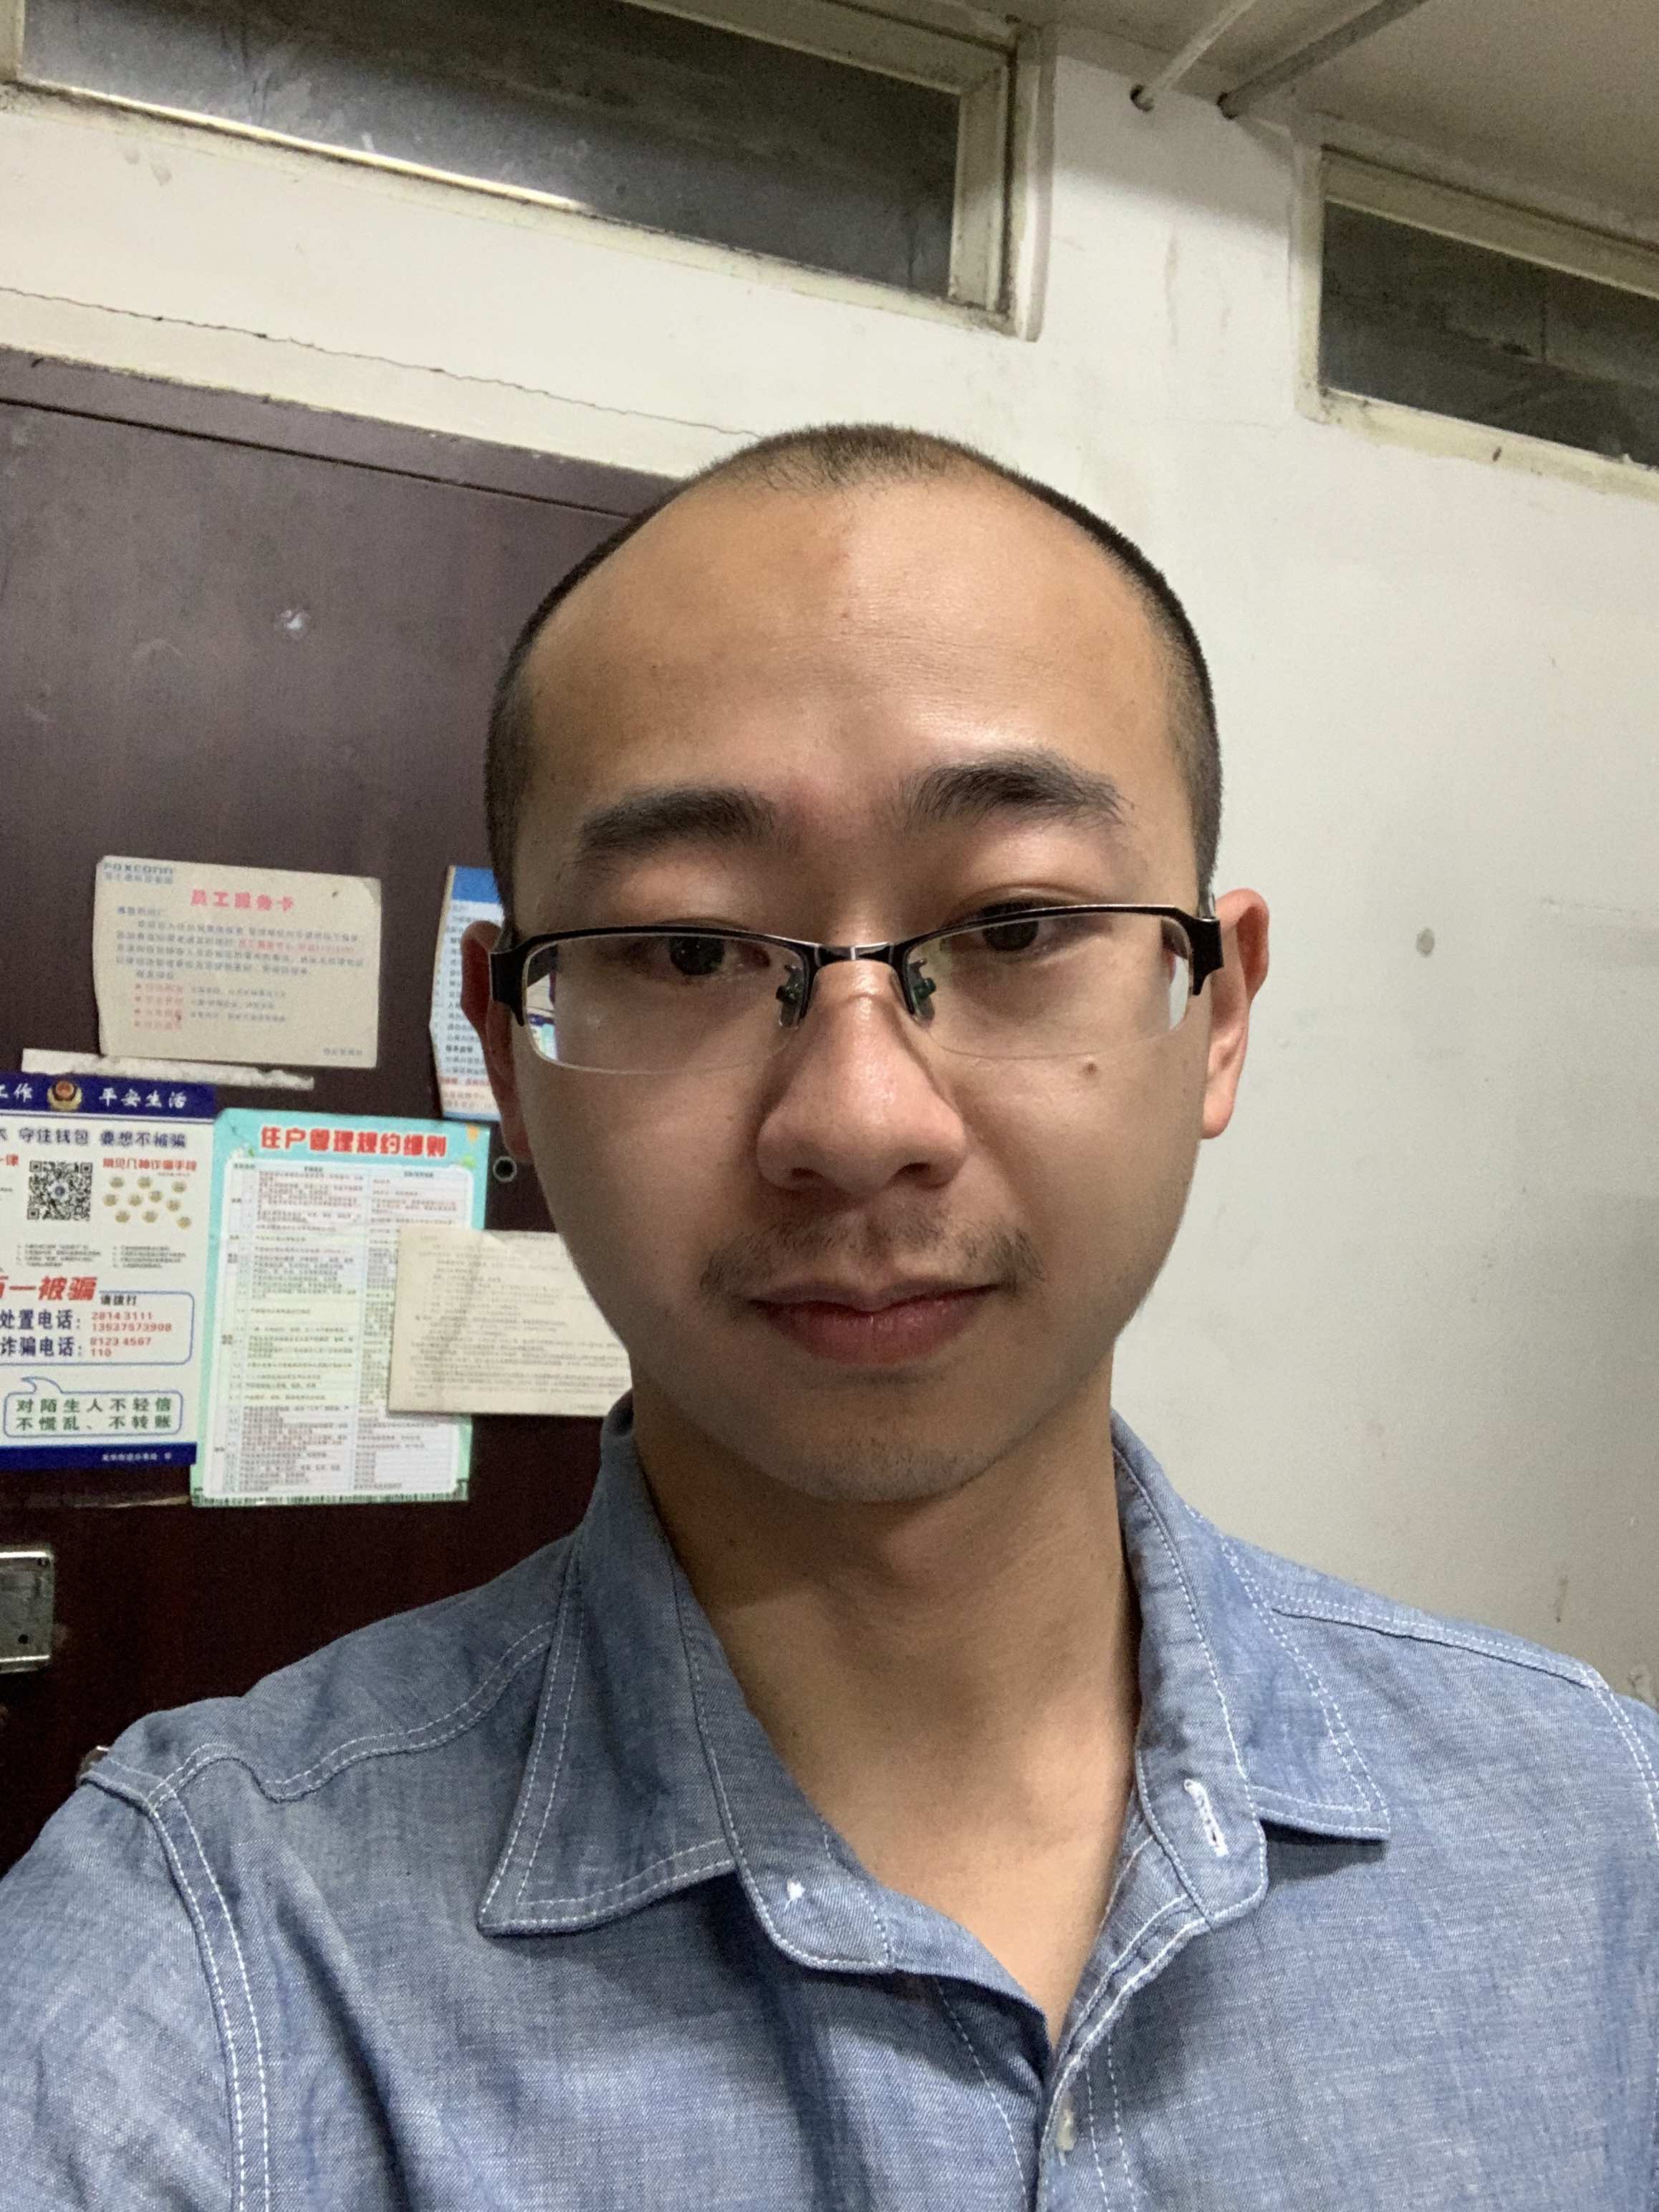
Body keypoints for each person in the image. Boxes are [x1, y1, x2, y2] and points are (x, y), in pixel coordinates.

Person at [1, 426, 1654, 2209]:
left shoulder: (1595, 1831)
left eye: (1016, 924)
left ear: (1218, 1015)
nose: (860, 1119)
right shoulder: (210, 1962)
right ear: (509, 1053)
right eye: (688, 950)